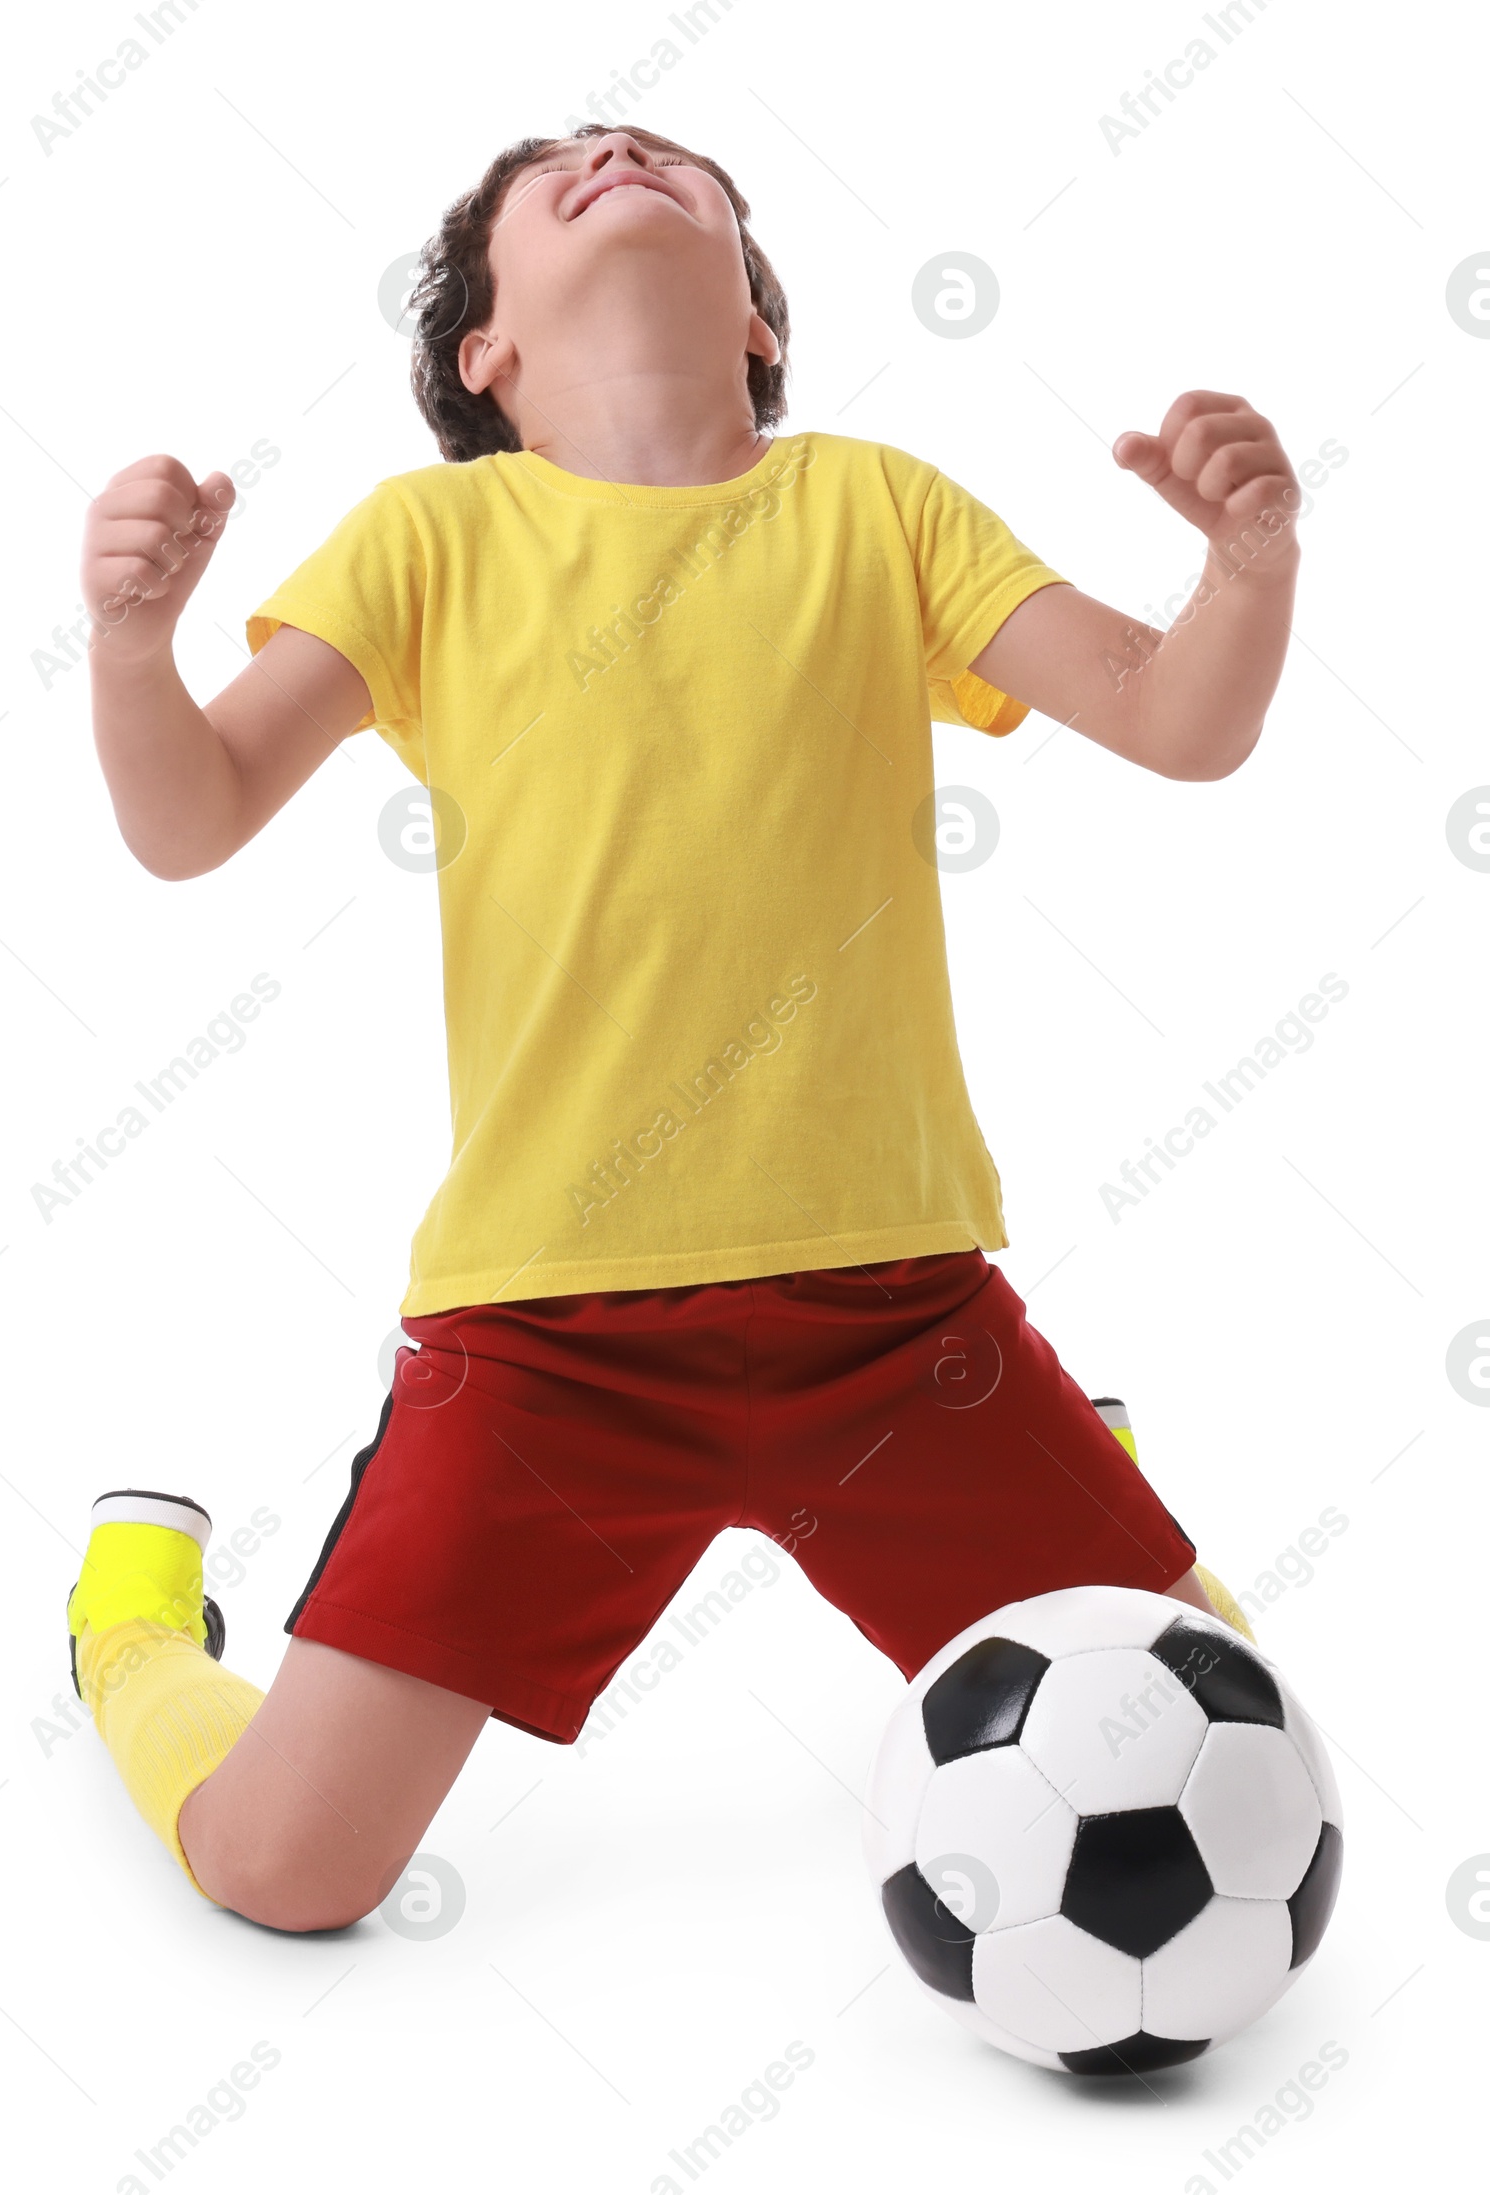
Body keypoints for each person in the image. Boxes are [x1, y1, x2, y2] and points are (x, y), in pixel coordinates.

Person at [69, 124, 1298, 1932]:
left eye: (673, 163)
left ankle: (1065, 1454)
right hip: (553, 1344)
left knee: (1219, 1716)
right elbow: (188, 820)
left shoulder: (877, 504)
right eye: (559, 166)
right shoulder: (432, 535)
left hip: (897, 1320)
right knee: (283, 1873)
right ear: (483, 354)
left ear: (757, 323)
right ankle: (122, 1617)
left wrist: (1247, 573)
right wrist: (129, 645)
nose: (620, 150)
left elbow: (1178, 722)